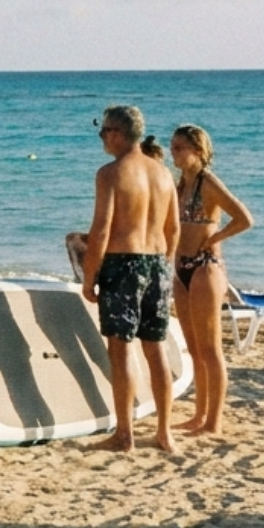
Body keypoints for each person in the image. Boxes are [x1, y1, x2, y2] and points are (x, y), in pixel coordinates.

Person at [79, 104, 180, 453]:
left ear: (118, 133)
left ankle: (125, 435)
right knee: (156, 350)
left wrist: (89, 277)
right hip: (157, 264)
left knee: (121, 351)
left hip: (124, 265)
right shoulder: (163, 173)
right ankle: (164, 433)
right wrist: (165, 267)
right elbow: (174, 230)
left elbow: (102, 229)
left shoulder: (111, 173)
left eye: (104, 131)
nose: (101, 137)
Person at [169, 123, 254, 437]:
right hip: (181, 268)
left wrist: (215, 236)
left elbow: (244, 218)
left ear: (198, 150)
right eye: (172, 147)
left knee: (210, 349)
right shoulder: (180, 186)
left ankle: (213, 421)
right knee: (193, 347)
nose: (173, 153)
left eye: (179, 147)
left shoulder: (208, 183)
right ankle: (198, 414)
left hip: (206, 267)